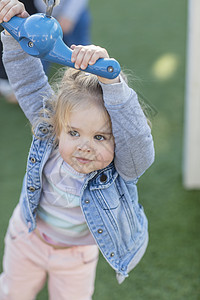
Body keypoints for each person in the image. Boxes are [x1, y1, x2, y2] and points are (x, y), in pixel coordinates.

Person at [0, 1, 155, 299]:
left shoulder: (123, 166)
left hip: (77, 257)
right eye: (73, 132)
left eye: (100, 137)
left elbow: (137, 140)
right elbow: (30, 83)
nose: (84, 146)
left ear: (117, 140)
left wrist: (113, 85)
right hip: (27, 238)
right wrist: (16, 34)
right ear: (59, 127)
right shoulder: (51, 134)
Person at [34, 0, 91, 73]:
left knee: (81, 57)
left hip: (74, 15)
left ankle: (85, 78)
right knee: (40, 54)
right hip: (45, 14)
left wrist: (69, 15)